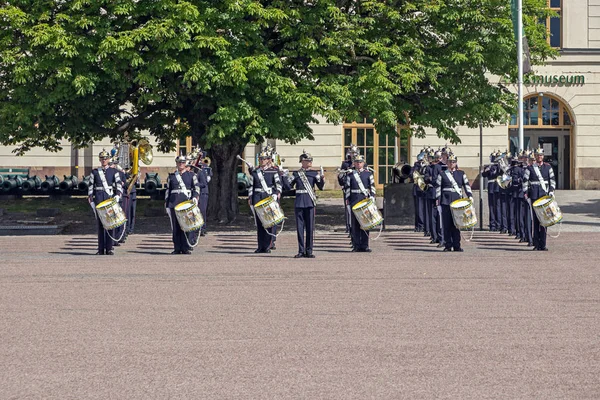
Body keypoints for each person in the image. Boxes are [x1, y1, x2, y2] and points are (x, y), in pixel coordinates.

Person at [284, 150, 326, 258]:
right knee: (300, 228)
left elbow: (321, 187)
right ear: (302, 162)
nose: (310, 162)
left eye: (310, 160)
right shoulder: (296, 174)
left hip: (309, 202)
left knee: (310, 228)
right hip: (299, 202)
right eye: (307, 160)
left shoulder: (314, 173)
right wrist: (284, 177)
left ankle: (309, 251)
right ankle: (301, 250)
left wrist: (322, 178)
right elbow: (288, 187)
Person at [88, 149, 123, 255]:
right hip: (99, 198)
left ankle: (109, 248)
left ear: (108, 160)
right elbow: (90, 187)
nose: (104, 160)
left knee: (110, 224)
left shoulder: (114, 172)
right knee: (100, 225)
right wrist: (91, 200)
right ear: (99, 160)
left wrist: (117, 196)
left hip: (109, 199)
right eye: (102, 159)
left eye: (106, 159)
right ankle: (100, 249)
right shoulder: (95, 172)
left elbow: (119, 185)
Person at [436, 153, 473, 252]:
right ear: (447, 163)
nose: (451, 164)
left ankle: (457, 245)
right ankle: (448, 245)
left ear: (456, 163)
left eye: (453, 162)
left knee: (457, 224)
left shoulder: (461, 173)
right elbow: (438, 188)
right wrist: (438, 201)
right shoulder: (442, 173)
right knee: (446, 224)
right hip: (446, 201)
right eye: (450, 162)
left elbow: (466, 185)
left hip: (457, 201)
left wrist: (470, 195)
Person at [165, 154, 200, 255]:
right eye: (179, 162)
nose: (181, 164)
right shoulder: (171, 177)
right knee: (175, 227)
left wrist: (195, 197)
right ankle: (177, 247)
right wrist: (167, 204)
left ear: (185, 164)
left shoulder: (191, 175)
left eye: (183, 162)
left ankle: (185, 247)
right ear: (176, 164)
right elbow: (168, 190)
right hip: (174, 203)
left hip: (186, 203)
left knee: (186, 226)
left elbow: (196, 187)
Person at [248, 149, 282, 253]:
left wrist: (276, 195)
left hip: (268, 198)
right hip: (257, 198)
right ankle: (260, 246)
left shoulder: (273, 171)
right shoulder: (255, 172)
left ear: (268, 160)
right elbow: (251, 186)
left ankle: (267, 246)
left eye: (264, 159)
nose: (262, 161)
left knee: (269, 223)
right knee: (259, 224)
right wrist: (250, 198)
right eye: (260, 159)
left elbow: (278, 185)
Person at [523, 146, 555, 251]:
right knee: (536, 221)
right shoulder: (530, 168)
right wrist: (526, 194)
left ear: (543, 156)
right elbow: (525, 182)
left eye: (541, 155)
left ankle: (543, 244)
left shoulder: (548, 167)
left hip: (544, 196)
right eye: (537, 155)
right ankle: (536, 244)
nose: (539, 157)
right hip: (534, 196)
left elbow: (552, 180)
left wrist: (551, 191)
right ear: (535, 156)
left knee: (544, 221)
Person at [345, 154, 376, 252]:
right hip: (354, 199)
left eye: (360, 162)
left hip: (364, 199)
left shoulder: (368, 174)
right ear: (354, 163)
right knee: (355, 224)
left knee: (365, 223)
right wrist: (348, 200)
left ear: (363, 163)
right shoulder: (350, 175)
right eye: (357, 162)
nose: (358, 164)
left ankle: (365, 245)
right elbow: (347, 188)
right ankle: (356, 245)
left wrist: (372, 197)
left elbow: (372, 186)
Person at [339, 144, 359, 234]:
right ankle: (348, 226)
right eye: (352, 152)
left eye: (355, 152)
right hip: (348, 188)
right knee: (348, 208)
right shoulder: (345, 163)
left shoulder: (361, 163)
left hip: (358, 189)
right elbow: (341, 176)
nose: (353, 154)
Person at [482, 150, 500, 232]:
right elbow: (484, 174)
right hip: (491, 188)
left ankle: (499, 224)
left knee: (498, 207)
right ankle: (492, 224)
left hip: (498, 188)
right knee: (492, 207)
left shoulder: (499, 166)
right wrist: (487, 169)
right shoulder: (489, 166)